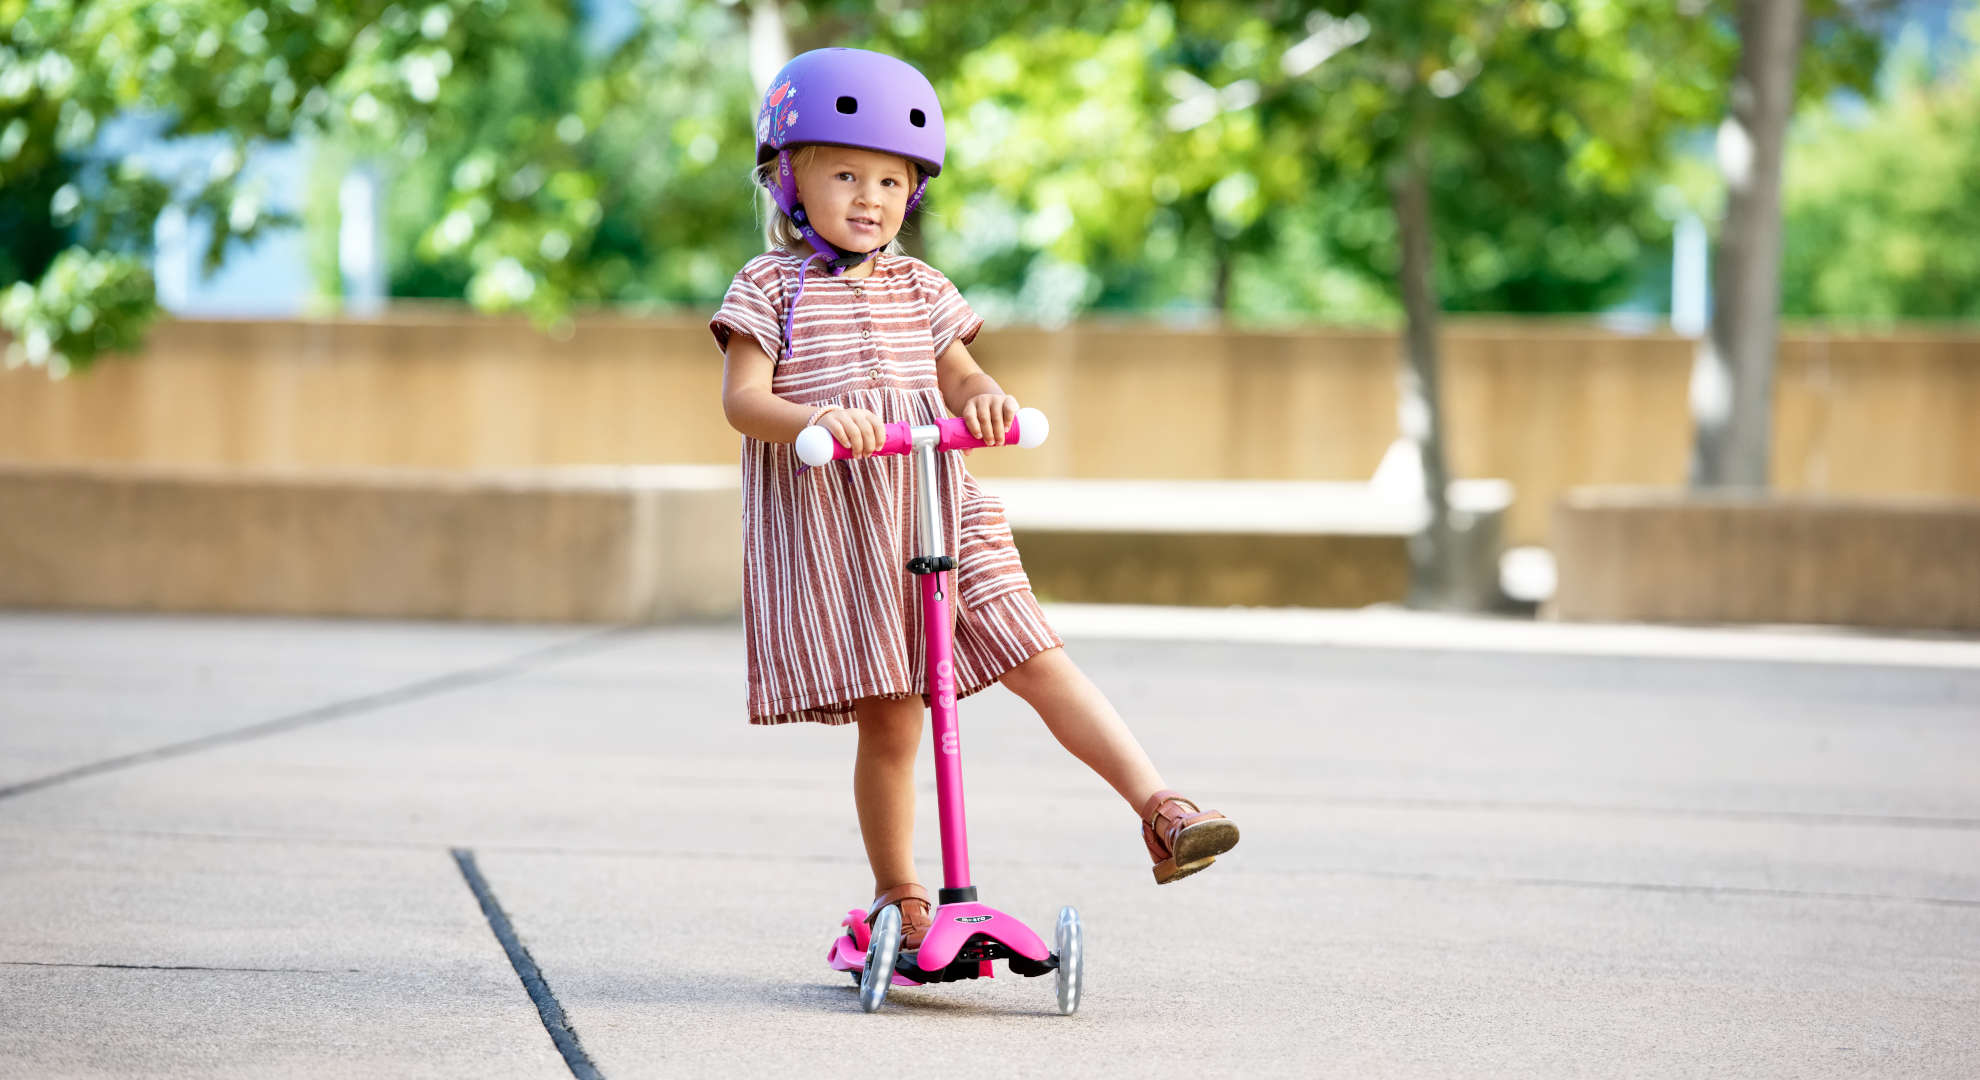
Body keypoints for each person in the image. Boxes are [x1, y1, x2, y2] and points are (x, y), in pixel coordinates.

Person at [710, 47, 1238, 952]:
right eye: (844, 173)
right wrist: (819, 420)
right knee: (894, 722)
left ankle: (1160, 807)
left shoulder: (923, 286)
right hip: (849, 533)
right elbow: (743, 401)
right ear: (788, 178)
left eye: (891, 179)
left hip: (946, 510)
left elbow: (961, 376)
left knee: (1039, 655)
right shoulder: (770, 286)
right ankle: (901, 894)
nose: (869, 196)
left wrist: (986, 400)